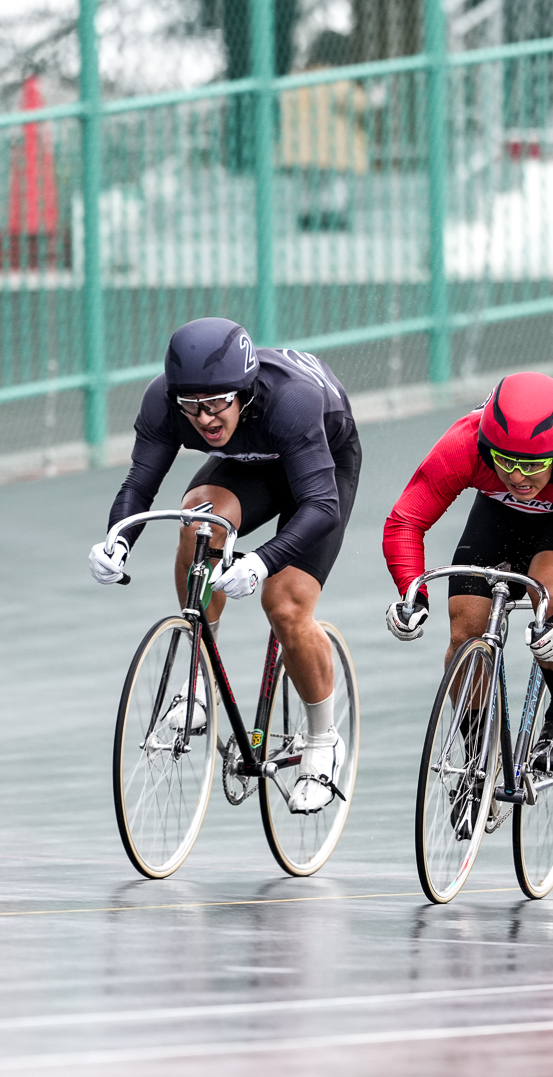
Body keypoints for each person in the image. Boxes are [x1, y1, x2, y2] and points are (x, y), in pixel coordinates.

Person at [87, 317, 361, 815]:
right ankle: (197, 683)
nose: (205, 420)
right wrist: (117, 540)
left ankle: (324, 743)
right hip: (252, 460)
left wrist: (261, 561)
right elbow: (139, 484)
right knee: (198, 526)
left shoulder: (290, 400)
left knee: (284, 604)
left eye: (216, 405)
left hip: (320, 463)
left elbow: (321, 507)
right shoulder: (164, 402)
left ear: (244, 391)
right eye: (190, 408)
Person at [381, 372, 553, 784]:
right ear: (487, 448)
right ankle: (475, 756)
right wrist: (414, 594)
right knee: (465, 629)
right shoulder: (466, 442)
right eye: (506, 462)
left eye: (533, 465)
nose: (518, 477)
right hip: (496, 519)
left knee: (549, 600)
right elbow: (405, 521)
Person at [280, 30, 368, 233]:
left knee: (308, 185)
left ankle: (307, 216)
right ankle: (333, 216)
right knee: (335, 182)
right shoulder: (335, 80)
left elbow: (284, 104)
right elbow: (357, 102)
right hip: (331, 146)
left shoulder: (297, 80)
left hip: (300, 147)